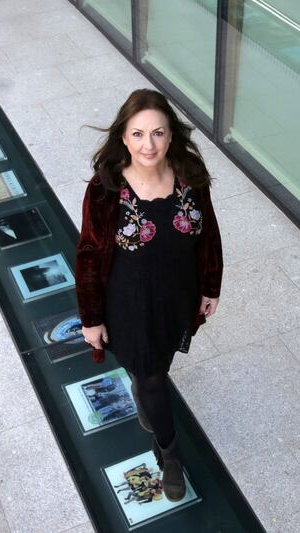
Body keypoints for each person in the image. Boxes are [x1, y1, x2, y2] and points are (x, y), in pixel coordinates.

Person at [75, 89, 223, 502]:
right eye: (138, 134)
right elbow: (88, 254)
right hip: (128, 305)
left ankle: (146, 391)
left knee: (158, 367)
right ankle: (169, 453)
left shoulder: (190, 175)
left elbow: (207, 234)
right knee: (153, 375)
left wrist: (210, 286)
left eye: (158, 133)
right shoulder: (106, 188)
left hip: (177, 296)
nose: (149, 145)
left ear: (171, 136)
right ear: (123, 137)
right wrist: (91, 318)